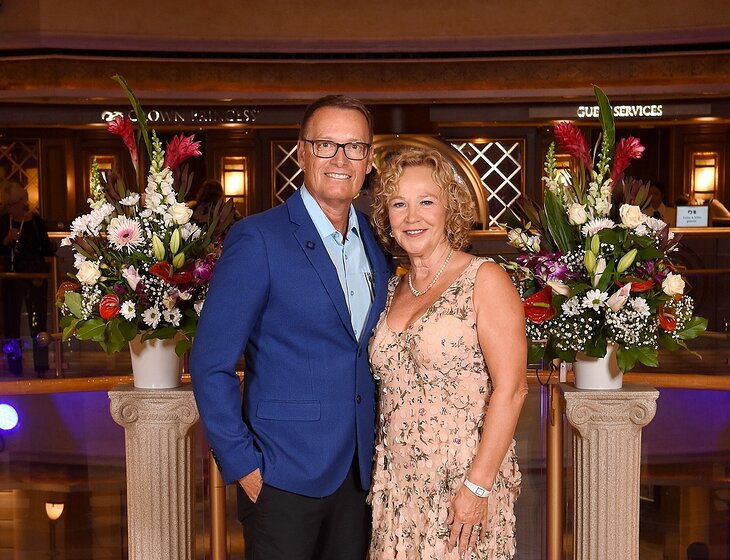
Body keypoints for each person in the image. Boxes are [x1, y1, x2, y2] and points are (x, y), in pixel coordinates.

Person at [190, 95, 391, 560]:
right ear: (301, 152)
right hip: (281, 474)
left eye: (354, 147)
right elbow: (210, 363)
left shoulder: (377, 239)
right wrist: (244, 466)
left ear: (369, 160)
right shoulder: (258, 238)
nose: (340, 159)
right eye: (325, 145)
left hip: (360, 476)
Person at [368, 147, 528, 559]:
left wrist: (477, 487)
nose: (412, 217)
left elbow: (512, 390)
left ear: (449, 209)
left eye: (426, 202)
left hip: (462, 486)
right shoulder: (392, 289)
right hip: (397, 489)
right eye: (399, 204)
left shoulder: (484, 279)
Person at [0, 182, 55, 376]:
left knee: (38, 322)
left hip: (35, 278)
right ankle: (14, 366)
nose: (11, 208)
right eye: (8, 205)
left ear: (23, 202)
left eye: (14, 203)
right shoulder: (4, 222)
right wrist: (6, 239)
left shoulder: (36, 222)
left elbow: (46, 250)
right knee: (11, 324)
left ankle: (41, 365)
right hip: (11, 278)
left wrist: (41, 271)